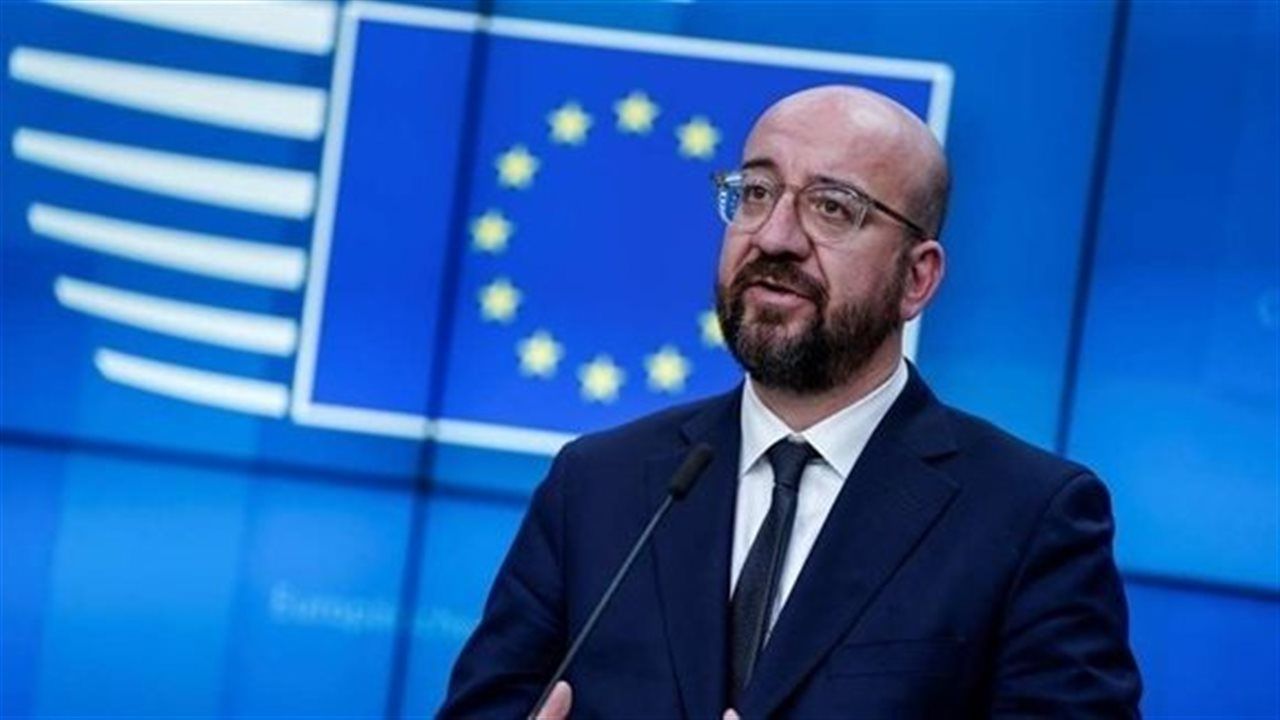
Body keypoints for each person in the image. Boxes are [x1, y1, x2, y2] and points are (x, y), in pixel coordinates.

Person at [440, 85, 1142, 718]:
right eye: (755, 193)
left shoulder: (1028, 518)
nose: (774, 237)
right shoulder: (599, 485)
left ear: (917, 279)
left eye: (833, 207)